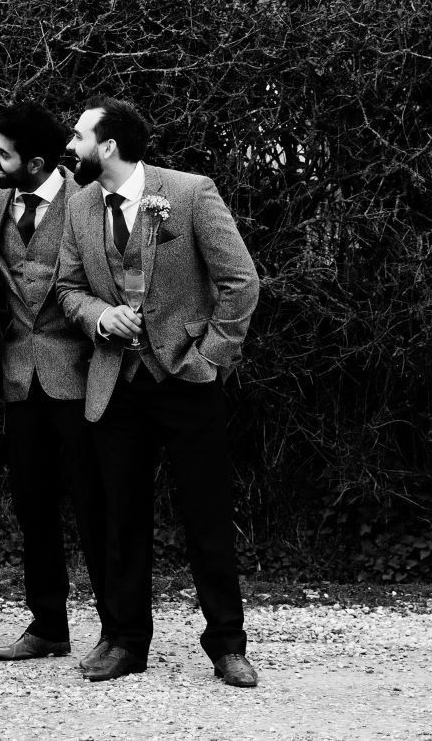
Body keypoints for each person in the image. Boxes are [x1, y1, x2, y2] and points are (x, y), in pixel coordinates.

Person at [54, 96, 262, 687]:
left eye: (78, 136)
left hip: (186, 380)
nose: (70, 146)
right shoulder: (80, 204)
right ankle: (126, 641)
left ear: (108, 146)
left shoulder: (190, 192)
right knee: (120, 518)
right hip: (115, 384)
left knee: (207, 517)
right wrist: (100, 316)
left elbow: (240, 281)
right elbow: (67, 287)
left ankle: (227, 645)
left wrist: (210, 359)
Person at [0, 102, 114, 669]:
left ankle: (115, 629)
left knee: (94, 506)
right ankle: (48, 625)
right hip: (18, 378)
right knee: (32, 506)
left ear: (35, 163)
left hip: (80, 377)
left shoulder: (89, 203)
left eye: (3, 155)